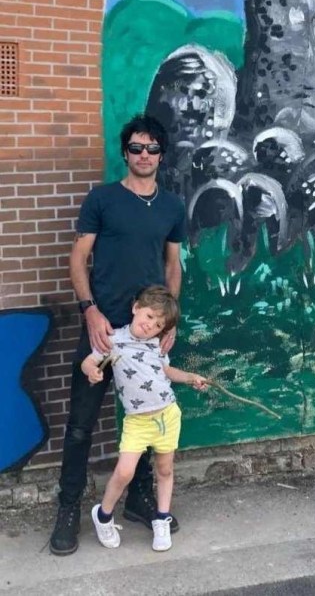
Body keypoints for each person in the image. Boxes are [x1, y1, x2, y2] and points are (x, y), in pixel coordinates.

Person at [50, 114, 187, 556]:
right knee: (80, 425)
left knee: (149, 414)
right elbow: (78, 259)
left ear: (161, 155)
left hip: (147, 335)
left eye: (152, 149)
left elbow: (172, 266)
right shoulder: (102, 199)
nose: (144, 155)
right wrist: (89, 311)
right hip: (105, 332)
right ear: (125, 153)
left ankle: (140, 500)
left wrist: (168, 322)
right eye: (136, 148)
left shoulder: (171, 206)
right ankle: (68, 509)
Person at [82, 285, 207, 552]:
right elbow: (88, 361)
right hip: (137, 421)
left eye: (158, 324)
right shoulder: (114, 339)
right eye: (149, 316)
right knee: (125, 471)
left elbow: (167, 371)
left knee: (165, 470)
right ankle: (103, 515)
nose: (151, 325)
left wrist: (190, 377)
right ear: (136, 308)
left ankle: (162, 519)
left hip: (167, 415)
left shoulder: (156, 345)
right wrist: (92, 370)